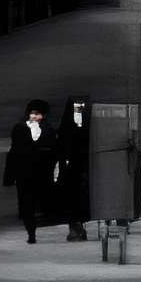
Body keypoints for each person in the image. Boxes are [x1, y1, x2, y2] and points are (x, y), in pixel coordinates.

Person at [3, 98, 59, 245]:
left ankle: (33, 229)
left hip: (36, 172)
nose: (34, 116)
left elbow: (13, 153)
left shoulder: (46, 130)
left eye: (38, 114)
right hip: (30, 173)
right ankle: (31, 232)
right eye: (33, 113)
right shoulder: (23, 129)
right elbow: (14, 152)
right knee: (29, 204)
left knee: (33, 203)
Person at [56, 95, 92, 241]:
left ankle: (76, 227)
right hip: (77, 167)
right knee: (76, 198)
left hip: (76, 167)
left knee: (76, 199)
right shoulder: (78, 127)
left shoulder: (68, 127)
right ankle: (77, 226)